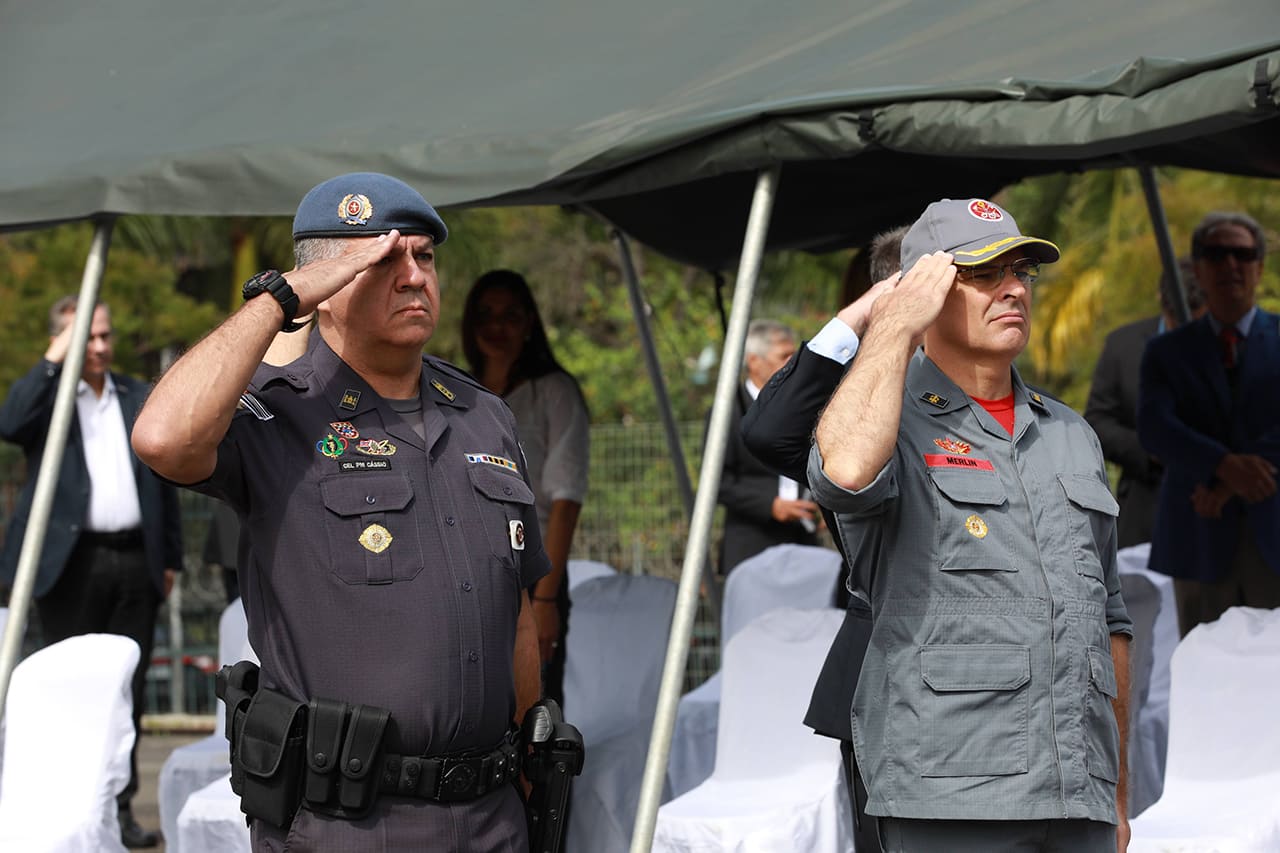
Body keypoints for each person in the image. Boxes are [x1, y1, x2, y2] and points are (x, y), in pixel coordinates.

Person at [131, 172, 548, 852]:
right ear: (326, 284)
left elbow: (518, 610)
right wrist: (282, 299)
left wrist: (532, 763)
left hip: (490, 816)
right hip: (345, 825)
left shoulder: (484, 416)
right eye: (384, 260)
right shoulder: (277, 411)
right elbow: (163, 437)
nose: (415, 277)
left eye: (426, 257)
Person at [810, 198, 1132, 852]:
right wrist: (895, 326)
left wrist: (1117, 793)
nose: (1014, 288)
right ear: (925, 291)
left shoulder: (1072, 433)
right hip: (950, 793)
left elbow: (1111, 617)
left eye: (1021, 271)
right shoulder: (885, 416)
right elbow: (842, 472)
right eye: (984, 272)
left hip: (1080, 795)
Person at [741, 225, 906, 853]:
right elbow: (768, 434)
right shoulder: (853, 408)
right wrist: (867, 314)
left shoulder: (1023, 412)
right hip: (883, 680)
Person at [0, 297, 183, 849]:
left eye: (104, 336)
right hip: (70, 568)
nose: (100, 347)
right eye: (89, 337)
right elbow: (10, 423)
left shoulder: (133, 393)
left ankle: (119, 809)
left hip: (134, 560)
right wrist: (60, 355)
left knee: (126, 691)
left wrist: (169, 555)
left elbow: (162, 473)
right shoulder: (48, 398)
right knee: (70, 689)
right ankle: (71, 807)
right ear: (66, 340)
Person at [1137, 211, 1280, 636]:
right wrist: (1223, 465)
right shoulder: (1166, 351)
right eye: (1217, 255)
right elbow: (1154, 426)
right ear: (1198, 267)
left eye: (1243, 254)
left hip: (1273, 530)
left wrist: (1231, 478)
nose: (1230, 264)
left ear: (1259, 265)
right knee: (1204, 679)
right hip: (1198, 535)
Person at [461, 269, 589, 708]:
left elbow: (566, 498)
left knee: (536, 713)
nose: (497, 327)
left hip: (535, 574)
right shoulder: (457, 392)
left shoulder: (554, 392)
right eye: (486, 315)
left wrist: (546, 598)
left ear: (529, 323)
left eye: (510, 315)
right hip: (467, 574)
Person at [1085, 260, 1204, 548]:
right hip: (1145, 516)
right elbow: (1097, 422)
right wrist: (1150, 450)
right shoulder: (1122, 346)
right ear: (1161, 301)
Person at [714, 319, 819, 574]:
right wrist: (771, 505)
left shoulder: (805, 407)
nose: (794, 363)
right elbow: (717, 482)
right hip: (752, 546)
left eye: (795, 354)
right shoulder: (728, 411)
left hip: (802, 544)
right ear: (754, 361)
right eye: (784, 355)